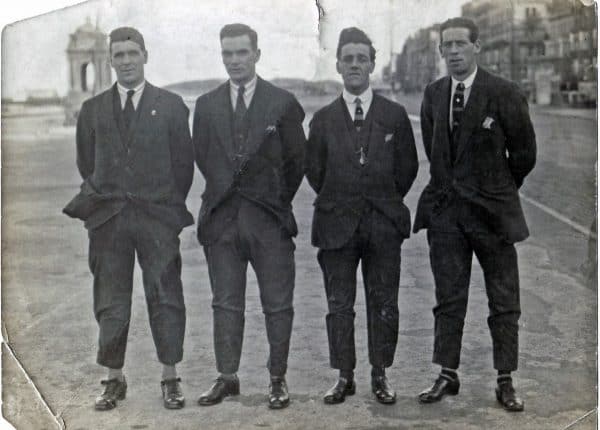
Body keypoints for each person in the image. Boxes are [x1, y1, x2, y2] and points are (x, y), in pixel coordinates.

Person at [63, 27, 194, 410]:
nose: (125, 61)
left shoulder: (171, 106)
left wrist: (162, 207)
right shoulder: (92, 110)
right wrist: (111, 199)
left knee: (166, 294)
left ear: (145, 56)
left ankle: (170, 378)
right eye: (118, 55)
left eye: (132, 53)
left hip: (157, 219)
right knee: (111, 300)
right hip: (109, 221)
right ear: (110, 61)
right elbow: (87, 163)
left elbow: (182, 167)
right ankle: (114, 379)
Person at [413, 17, 536, 412]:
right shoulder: (434, 94)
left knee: (504, 300)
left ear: (477, 47)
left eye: (460, 45)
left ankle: (505, 380)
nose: (452, 52)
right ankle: (447, 374)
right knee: (448, 298)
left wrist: (496, 189)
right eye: (446, 46)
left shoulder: (504, 93)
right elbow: (438, 153)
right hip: (447, 216)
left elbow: (524, 155)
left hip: (493, 216)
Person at [192, 23, 305, 410]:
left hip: (269, 220)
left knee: (277, 303)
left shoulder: (283, 102)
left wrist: (272, 201)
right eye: (228, 53)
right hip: (222, 221)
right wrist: (225, 198)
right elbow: (204, 158)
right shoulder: (206, 106)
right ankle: (227, 377)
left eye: (242, 52)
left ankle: (277, 378)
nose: (235, 61)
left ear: (257, 54)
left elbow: (297, 163)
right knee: (225, 303)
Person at [305, 27, 418, 405]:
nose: (355, 65)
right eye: (347, 59)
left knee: (384, 302)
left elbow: (407, 169)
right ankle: (344, 375)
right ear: (337, 65)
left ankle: (380, 373)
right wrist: (343, 197)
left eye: (361, 58)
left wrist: (381, 199)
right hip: (336, 225)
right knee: (339, 305)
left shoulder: (394, 115)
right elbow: (314, 172)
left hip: (383, 224)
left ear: (372, 64)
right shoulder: (321, 119)